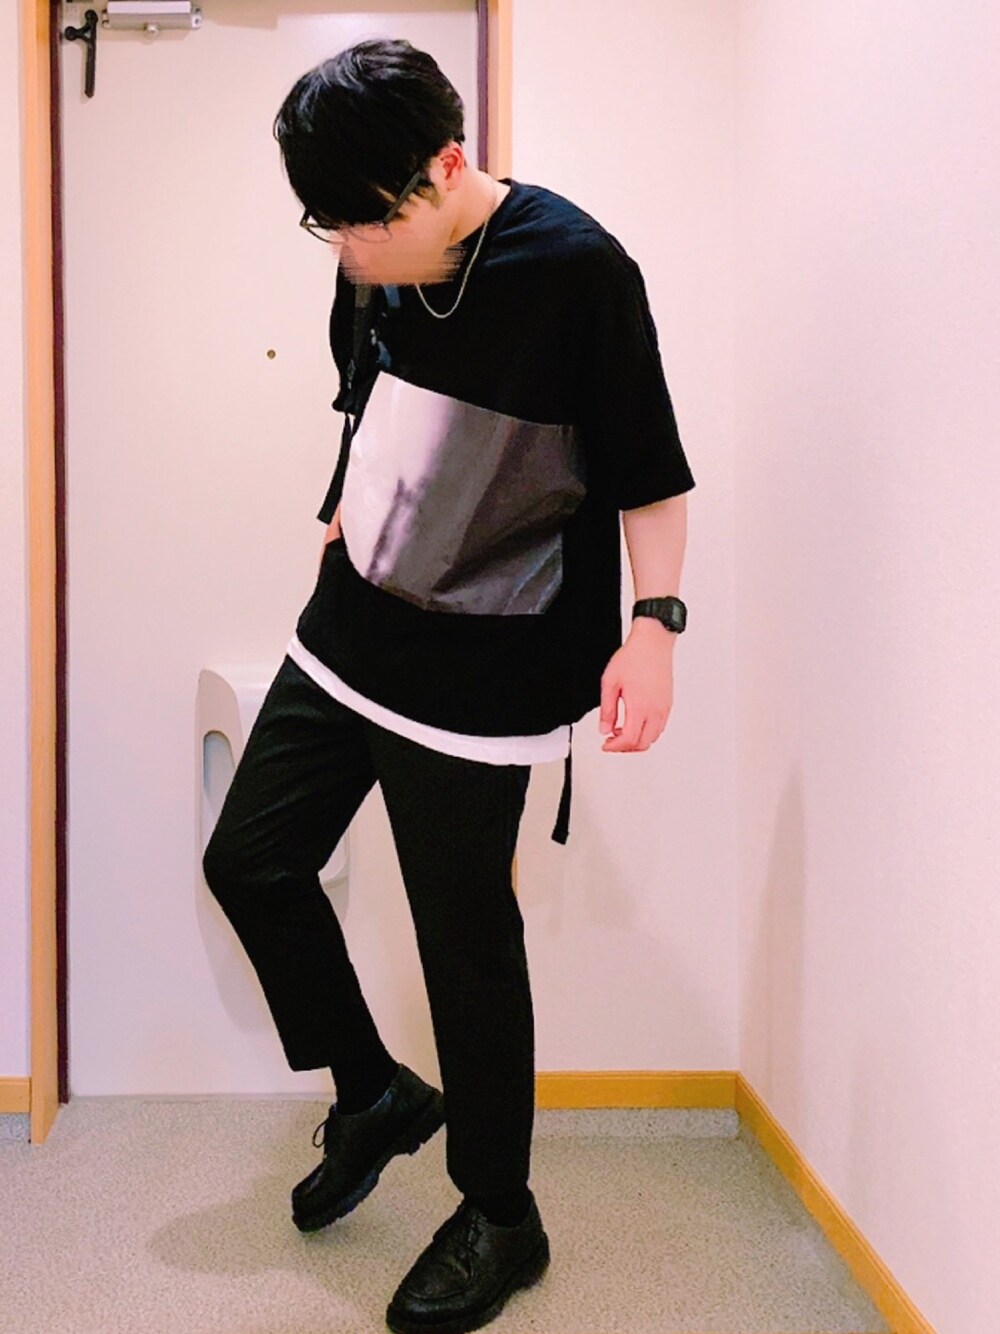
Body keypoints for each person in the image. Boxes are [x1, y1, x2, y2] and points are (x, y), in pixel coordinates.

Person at [201, 34, 695, 1334]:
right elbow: (365, 398)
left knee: (463, 938)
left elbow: (649, 467)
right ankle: (372, 1091)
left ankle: (500, 1214)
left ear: (447, 164)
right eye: (333, 228)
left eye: (370, 223)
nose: (354, 252)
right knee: (250, 860)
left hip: (491, 664)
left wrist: (653, 628)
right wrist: (339, 505)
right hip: (352, 627)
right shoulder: (369, 253)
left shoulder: (577, 270)